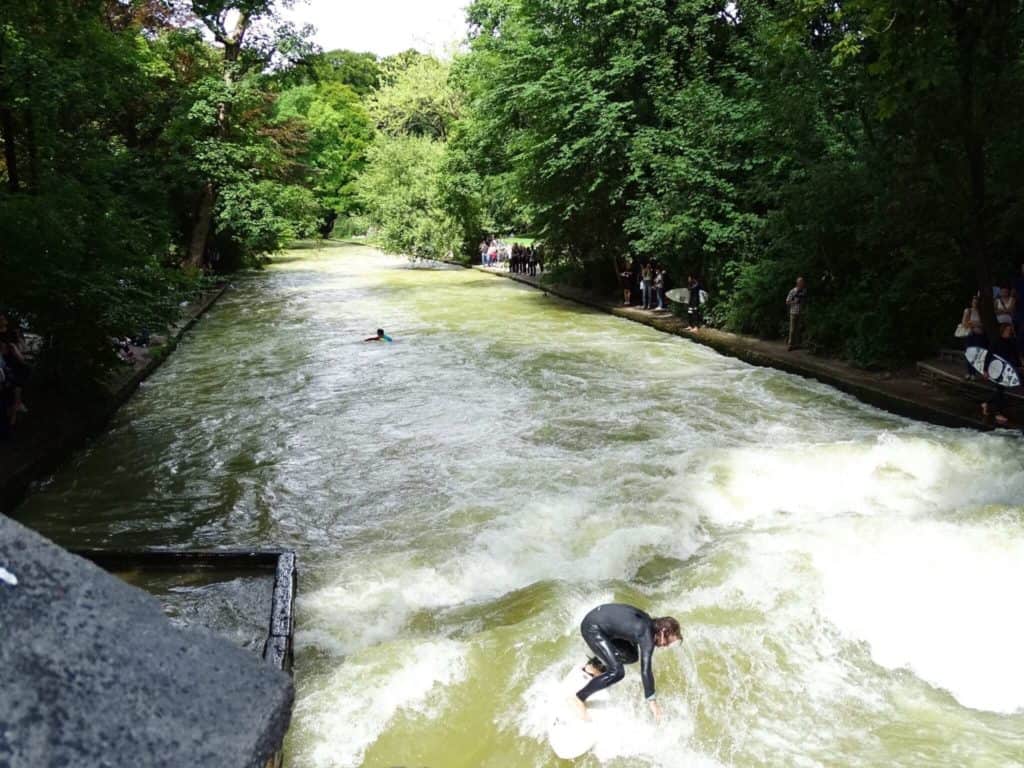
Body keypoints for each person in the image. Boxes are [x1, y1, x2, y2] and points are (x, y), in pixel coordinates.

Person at [573, 603, 681, 723]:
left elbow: (626, 628)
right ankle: (579, 697)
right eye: (667, 642)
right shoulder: (646, 636)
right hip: (592, 628)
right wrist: (652, 702)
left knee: (632, 656)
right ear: (662, 632)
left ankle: (594, 666)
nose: (665, 646)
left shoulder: (647, 622)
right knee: (617, 672)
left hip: (598, 622)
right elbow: (646, 670)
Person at [980, 323, 1021, 427]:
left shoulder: (1011, 341)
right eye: (1007, 330)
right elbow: (989, 356)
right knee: (1000, 390)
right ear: (1002, 331)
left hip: (1007, 370)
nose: (1009, 332)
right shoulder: (996, 342)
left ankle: (987, 404)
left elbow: (1015, 355)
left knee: (1001, 390)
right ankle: (998, 413)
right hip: (997, 369)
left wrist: (1019, 365)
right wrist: (985, 370)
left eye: (1010, 330)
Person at [961, 294, 986, 380]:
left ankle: (973, 373)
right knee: (969, 353)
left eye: (977, 301)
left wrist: (972, 323)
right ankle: (969, 372)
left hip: (979, 336)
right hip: (970, 335)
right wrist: (974, 324)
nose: (975, 302)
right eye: (974, 301)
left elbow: (983, 325)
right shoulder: (968, 310)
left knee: (976, 354)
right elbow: (964, 323)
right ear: (971, 302)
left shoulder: (981, 312)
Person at [786, 277, 807, 350]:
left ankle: (798, 344)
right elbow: (787, 301)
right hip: (793, 312)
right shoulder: (792, 291)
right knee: (792, 330)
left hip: (800, 312)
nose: (802, 284)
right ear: (797, 283)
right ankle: (790, 345)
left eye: (803, 282)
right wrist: (794, 302)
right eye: (801, 282)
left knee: (799, 329)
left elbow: (804, 301)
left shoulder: (804, 291)